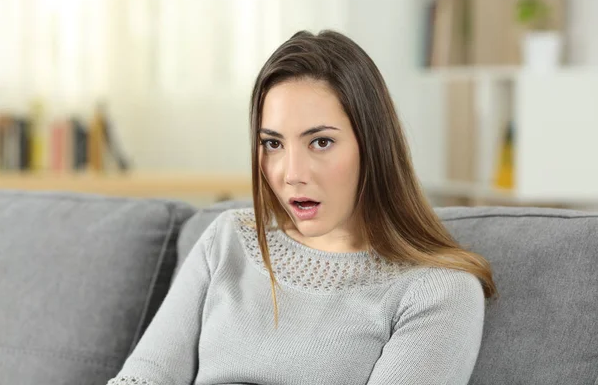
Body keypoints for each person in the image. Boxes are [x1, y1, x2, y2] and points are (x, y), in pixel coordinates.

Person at [107, 30, 497, 385]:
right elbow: (144, 376)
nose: (291, 174)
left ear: (373, 146)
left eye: (321, 142)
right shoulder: (228, 239)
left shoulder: (437, 291)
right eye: (273, 144)